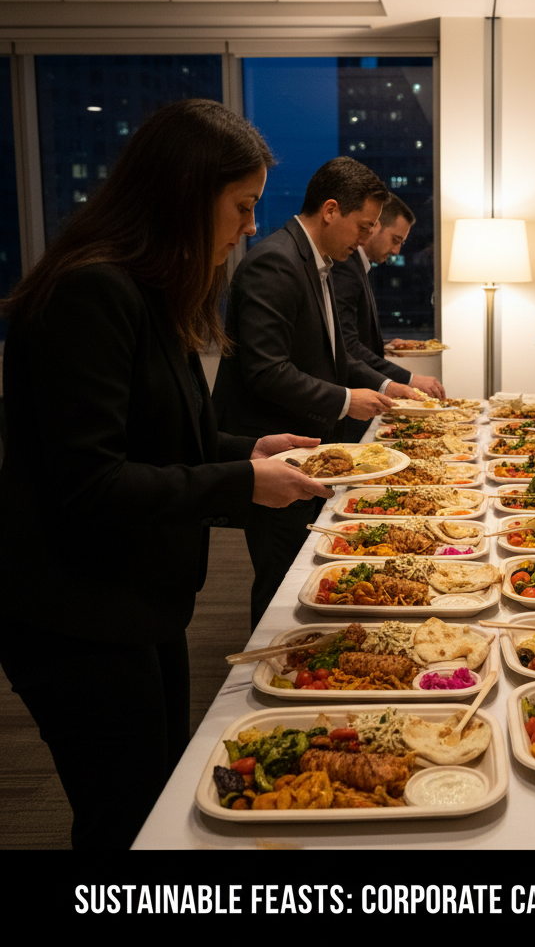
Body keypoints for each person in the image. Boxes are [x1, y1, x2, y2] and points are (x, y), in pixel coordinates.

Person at [0, 99, 330, 850]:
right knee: (123, 818)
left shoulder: (152, 289)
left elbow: (169, 435)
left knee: (158, 801)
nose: (252, 227)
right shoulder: (92, 292)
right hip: (75, 612)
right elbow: (93, 484)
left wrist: (247, 449)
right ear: (187, 194)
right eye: (242, 207)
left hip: (139, 597)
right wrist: (243, 484)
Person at [213, 157, 424, 629]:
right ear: (330, 210)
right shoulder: (276, 261)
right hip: (272, 447)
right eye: (363, 226)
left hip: (304, 446)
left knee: (301, 569)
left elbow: (331, 353)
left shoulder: (316, 261)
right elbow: (266, 370)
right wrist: (348, 400)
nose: (367, 238)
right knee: (280, 577)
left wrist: (385, 384)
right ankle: (267, 670)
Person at [333, 192, 444, 442]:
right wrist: (409, 379)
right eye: (395, 240)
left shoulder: (356, 266)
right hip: (348, 401)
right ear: (375, 227)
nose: (396, 250)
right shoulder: (345, 267)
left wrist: (383, 346)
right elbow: (346, 345)